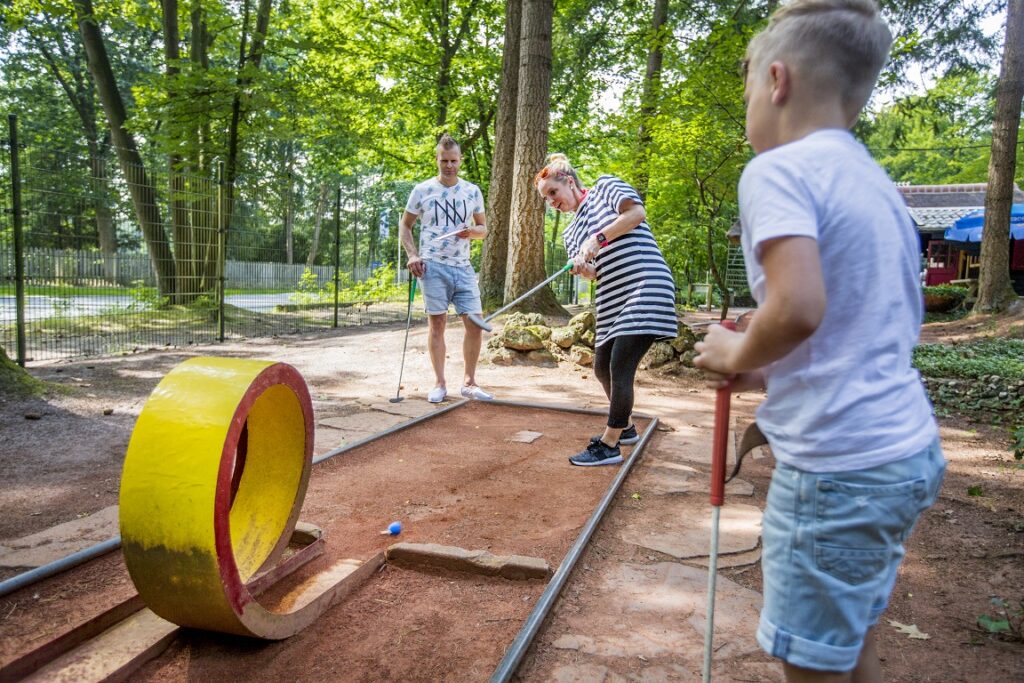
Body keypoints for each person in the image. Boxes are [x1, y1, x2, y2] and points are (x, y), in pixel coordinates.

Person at [693, 1, 945, 681]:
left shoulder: (777, 170)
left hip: (837, 469)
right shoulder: (874, 183)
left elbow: (799, 307)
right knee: (845, 637)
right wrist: (768, 374)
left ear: (776, 80)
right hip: (901, 452)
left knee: (807, 662)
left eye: (746, 87)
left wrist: (733, 352)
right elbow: (860, 328)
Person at [534, 154, 678, 466]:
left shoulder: (605, 187)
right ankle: (625, 427)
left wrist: (598, 239)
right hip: (612, 299)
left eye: (553, 193)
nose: (551, 202)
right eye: (546, 199)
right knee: (601, 368)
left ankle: (610, 444)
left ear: (569, 182)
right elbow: (594, 272)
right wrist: (583, 267)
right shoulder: (570, 233)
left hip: (645, 283)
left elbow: (636, 213)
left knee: (620, 364)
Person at [399, 133, 492, 403]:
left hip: (463, 267)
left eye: (453, 160)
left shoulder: (472, 191)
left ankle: (470, 382)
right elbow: (405, 225)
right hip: (433, 266)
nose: (449, 165)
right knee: (437, 324)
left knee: (474, 323)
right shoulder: (422, 190)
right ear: (437, 159)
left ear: (460, 160)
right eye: (444, 161)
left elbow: (483, 230)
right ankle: (439, 383)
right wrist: (412, 255)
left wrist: (471, 232)